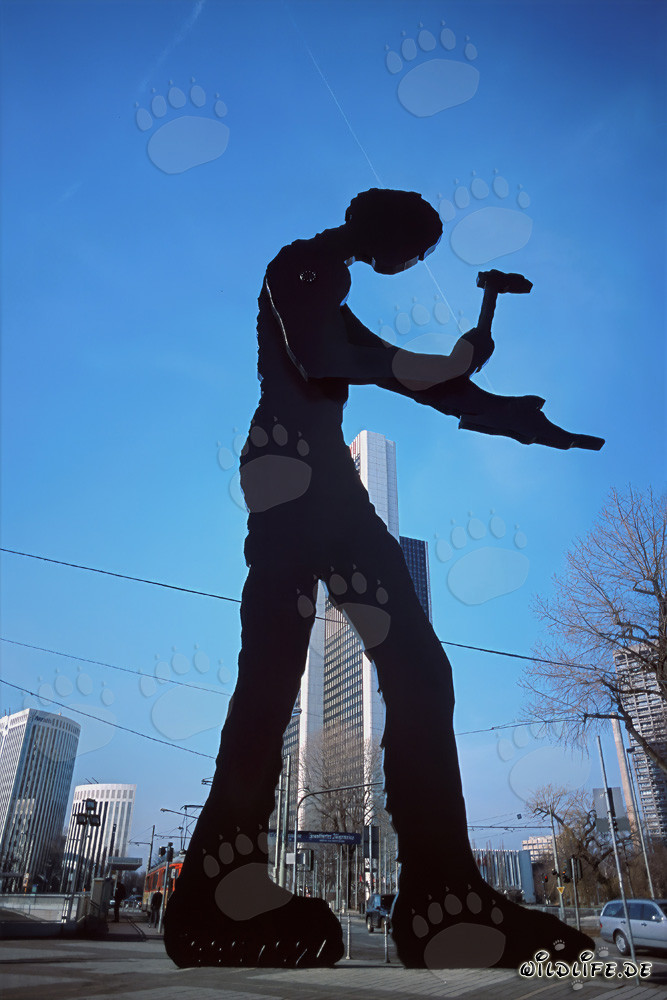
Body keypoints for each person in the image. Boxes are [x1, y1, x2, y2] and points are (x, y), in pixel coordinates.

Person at [164, 189, 602, 970]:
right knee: (272, 672)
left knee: (417, 670)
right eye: (419, 250)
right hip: (292, 475)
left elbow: (403, 378)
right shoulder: (303, 266)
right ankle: (219, 885)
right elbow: (328, 359)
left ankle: (441, 897)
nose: (416, 264)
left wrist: (508, 411)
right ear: (388, 234)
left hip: (323, 479)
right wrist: (447, 363)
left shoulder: (331, 287)